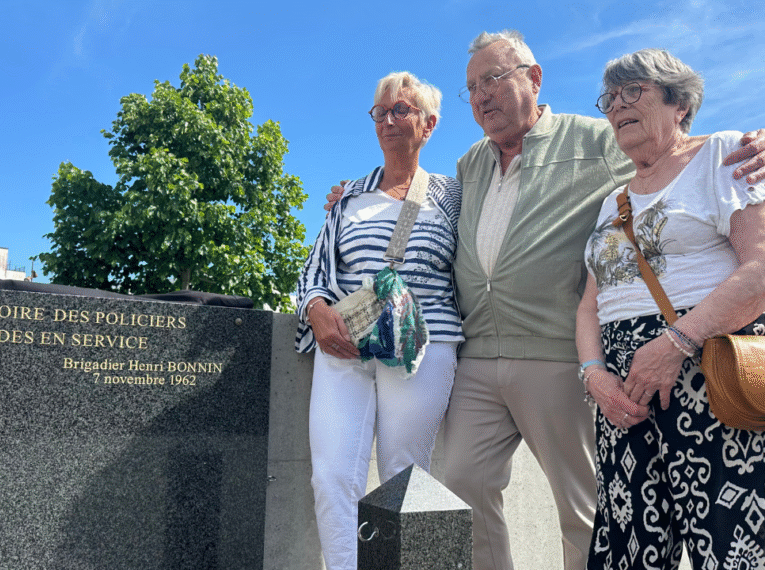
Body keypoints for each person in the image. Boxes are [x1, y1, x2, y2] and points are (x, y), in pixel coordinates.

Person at [324, 31, 765, 570]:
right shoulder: (468, 165)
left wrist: (753, 144)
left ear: (533, 79)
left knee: (586, 507)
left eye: (493, 78)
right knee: (462, 489)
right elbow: (417, 199)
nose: (481, 95)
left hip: (557, 354)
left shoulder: (596, 139)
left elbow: (672, 153)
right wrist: (358, 193)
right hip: (481, 356)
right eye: (471, 87)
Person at [575, 48, 765, 569]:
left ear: (679, 102)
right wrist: (594, 377)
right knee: (627, 547)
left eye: (632, 91)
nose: (616, 106)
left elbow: (761, 271)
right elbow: (591, 303)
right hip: (623, 394)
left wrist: (675, 344)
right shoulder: (612, 200)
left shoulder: (727, 154)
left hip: (710, 372)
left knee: (728, 542)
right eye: (609, 98)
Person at [294, 71, 463, 570]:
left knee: (403, 477)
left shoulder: (452, 197)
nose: (388, 120)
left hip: (421, 348)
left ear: (429, 124)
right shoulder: (347, 196)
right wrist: (317, 311)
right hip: (346, 347)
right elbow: (315, 273)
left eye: (402, 110)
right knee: (331, 478)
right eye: (380, 112)